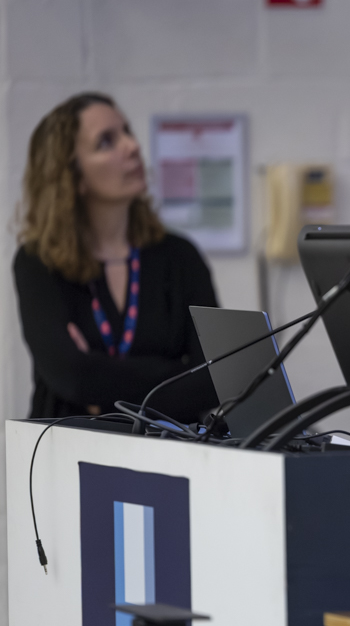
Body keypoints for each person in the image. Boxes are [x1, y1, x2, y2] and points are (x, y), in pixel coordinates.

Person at [13, 92, 219, 421]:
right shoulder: (39, 262)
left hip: (165, 446)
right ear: (72, 175)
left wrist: (101, 392)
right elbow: (72, 375)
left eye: (127, 132)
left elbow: (213, 379)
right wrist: (172, 372)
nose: (132, 146)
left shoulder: (181, 257)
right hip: (66, 445)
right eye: (106, 142)